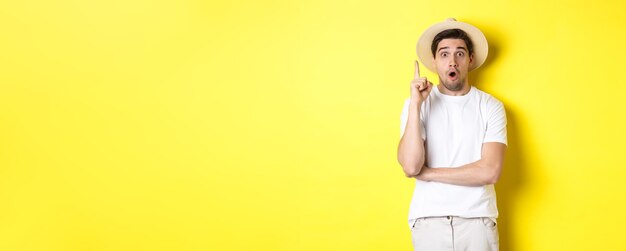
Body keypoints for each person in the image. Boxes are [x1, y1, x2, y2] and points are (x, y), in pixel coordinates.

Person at [397, 18, 507, 251]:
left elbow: (490, 170)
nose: (452, 62)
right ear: (434, 62)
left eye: (459, 53)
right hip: (428, 221)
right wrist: (416, 106)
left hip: (477, 220)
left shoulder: (490, 106)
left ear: (470, 59)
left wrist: (428, 173)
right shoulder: (415, 105)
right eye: (444, 54)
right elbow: (410, 166)